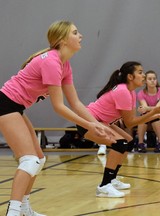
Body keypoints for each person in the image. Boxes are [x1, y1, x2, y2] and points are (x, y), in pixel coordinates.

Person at [0, 20, 114, 216]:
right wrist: (89, 126)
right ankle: (13, 211)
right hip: (5, 105)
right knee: (29, 161)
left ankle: (25, 209)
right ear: (63, 40)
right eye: (76, 33)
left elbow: (76, 103)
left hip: (16, 107)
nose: (81, 36)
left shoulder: (64, 65)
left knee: (39, 160)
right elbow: (59, 107)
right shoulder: (51, 61)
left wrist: (97, 125)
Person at [76, 61, 160, 198]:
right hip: (88, 121)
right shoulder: (123, 91)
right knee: (120, 143)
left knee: (128, 142)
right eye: (140, 72)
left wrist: (155, 113)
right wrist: (154, 113)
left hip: (101, 121)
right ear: (130, 76)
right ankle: (104, 186)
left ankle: (112, 180)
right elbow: (130, 123)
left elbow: (130, 121)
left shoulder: (131, 92)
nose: (144, 75)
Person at [136, 70, 160, 153]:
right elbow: (145, 108)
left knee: (154, 116)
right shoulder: (141, 93)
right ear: (145, 81)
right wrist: (147, 109)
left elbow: (158, 108)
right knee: (143, 117)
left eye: (154, 79)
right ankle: (140, 144)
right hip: (147, 120)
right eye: (150, 79)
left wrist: (147, 108)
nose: (152, 81)